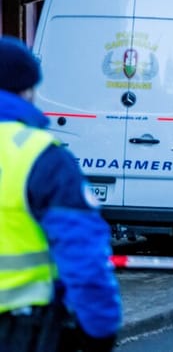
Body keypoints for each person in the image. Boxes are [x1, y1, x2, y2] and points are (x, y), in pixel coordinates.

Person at [0, 36, 121, 352]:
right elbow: (82, 251)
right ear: (27, 90)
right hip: (18, 329)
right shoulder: (39, 156)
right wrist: (99, 329)